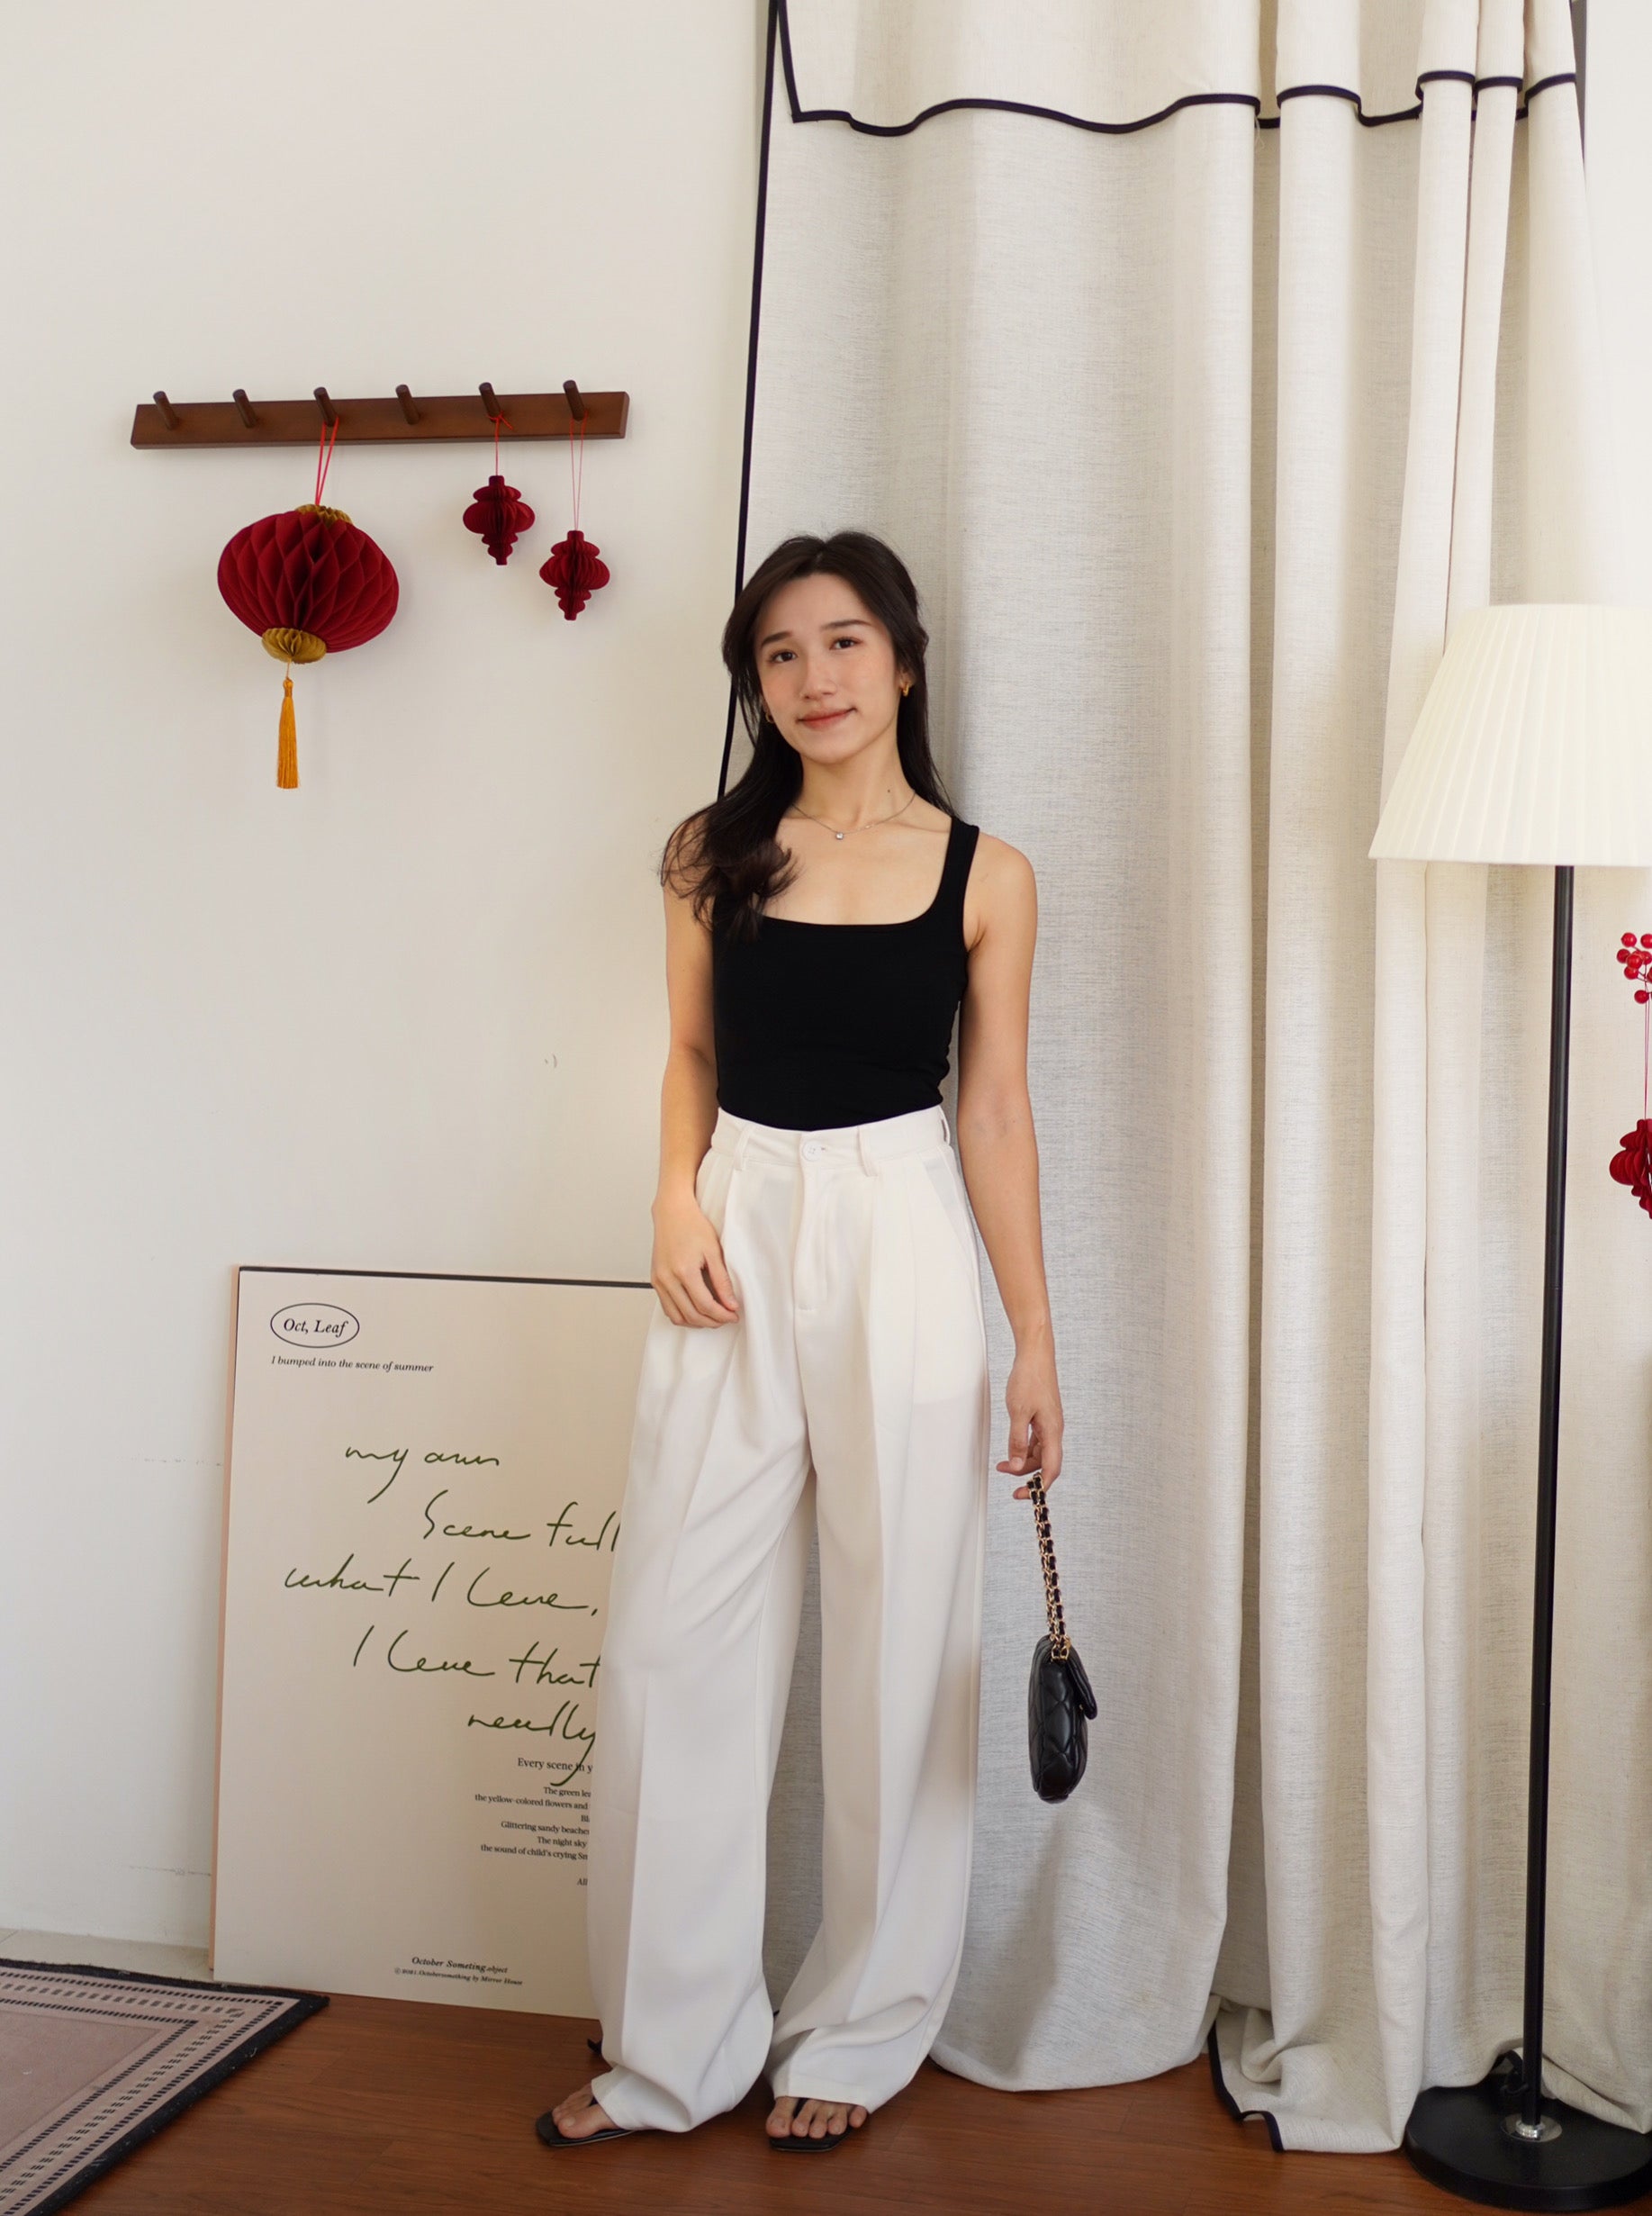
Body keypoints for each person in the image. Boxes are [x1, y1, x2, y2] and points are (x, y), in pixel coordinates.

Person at [538, 529, 1064, 2153]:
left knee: (903, 1641)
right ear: (753, 683)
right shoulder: (710, 851)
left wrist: (1036, 1338)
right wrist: (671, 1198)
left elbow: (994, 1111)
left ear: (903, 661)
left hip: (906, 1226)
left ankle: (862, 2027)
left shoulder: (985, 873)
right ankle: (670, 2048)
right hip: (738, 1220)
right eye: (779, 653)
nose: (813, 678)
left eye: (842, 643)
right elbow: (692, 1051)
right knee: (673, 1644)